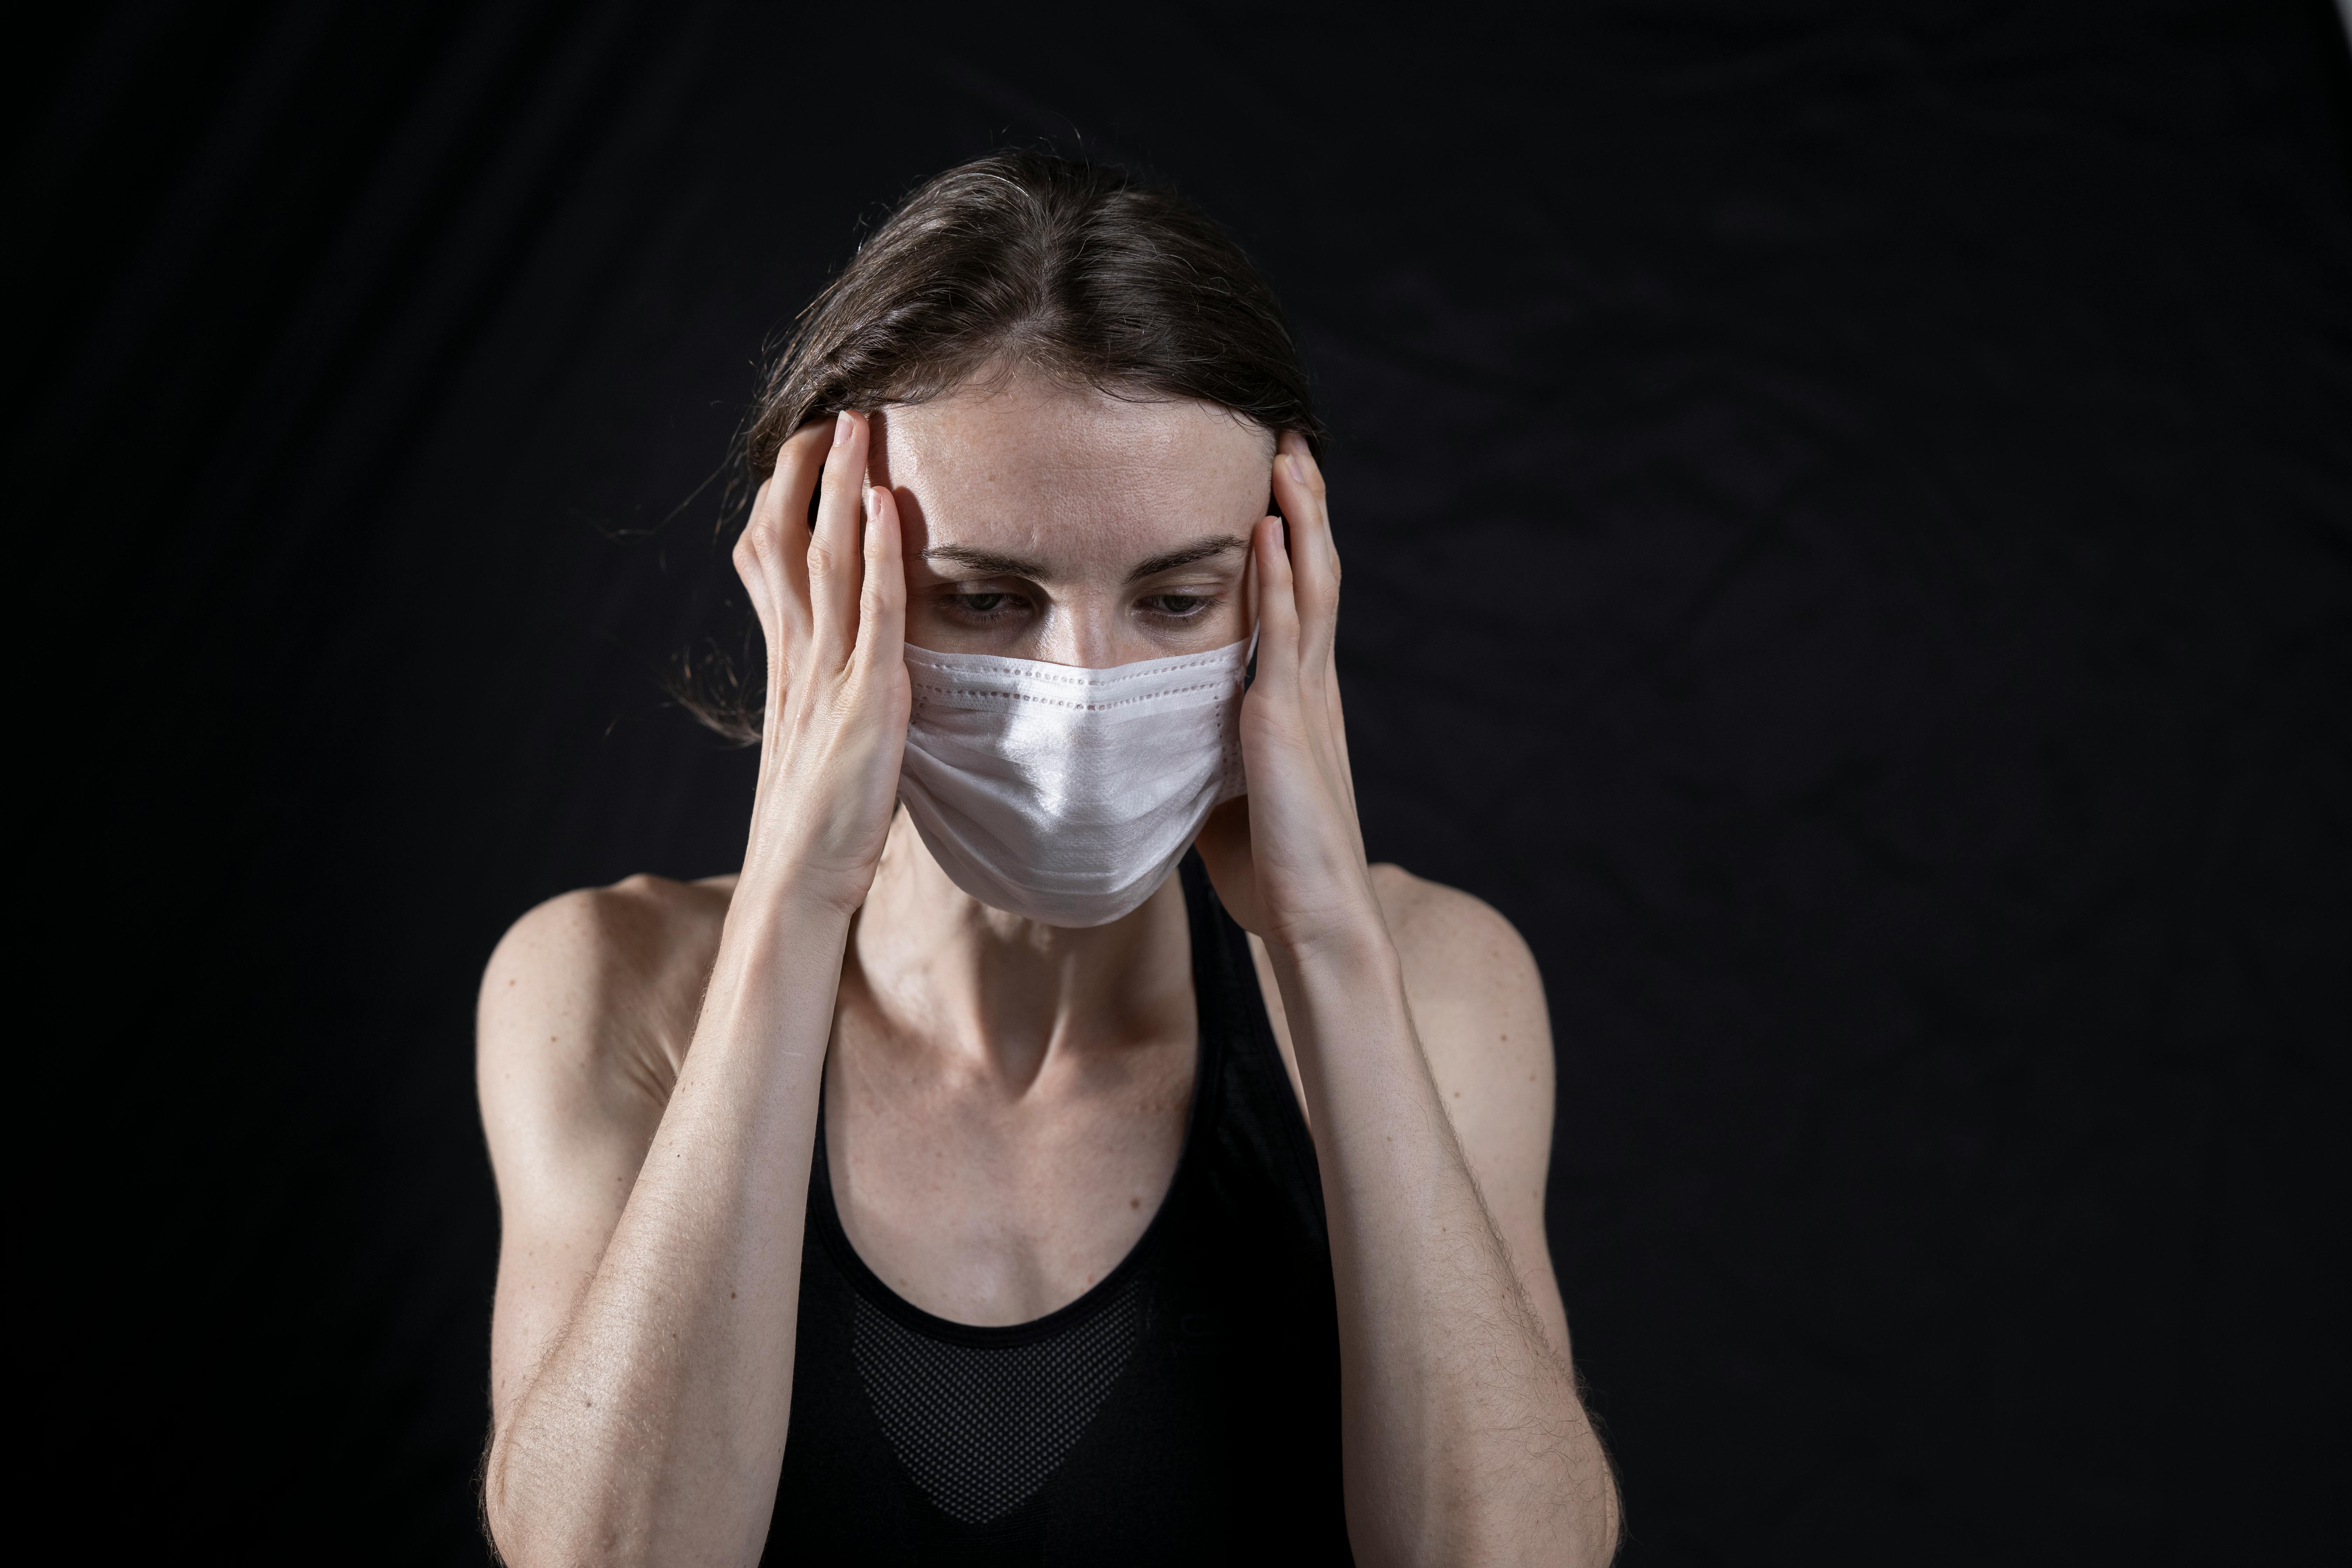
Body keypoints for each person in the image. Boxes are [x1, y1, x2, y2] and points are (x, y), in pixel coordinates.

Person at [476, 150, 1620, 1566]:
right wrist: (794, 900)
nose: (1085, 688)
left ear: (1286, 591)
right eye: (986, 598)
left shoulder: (1437, 982)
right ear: (821, 580)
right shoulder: (607, 985)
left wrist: (1327, 945)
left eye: (1177, 597)